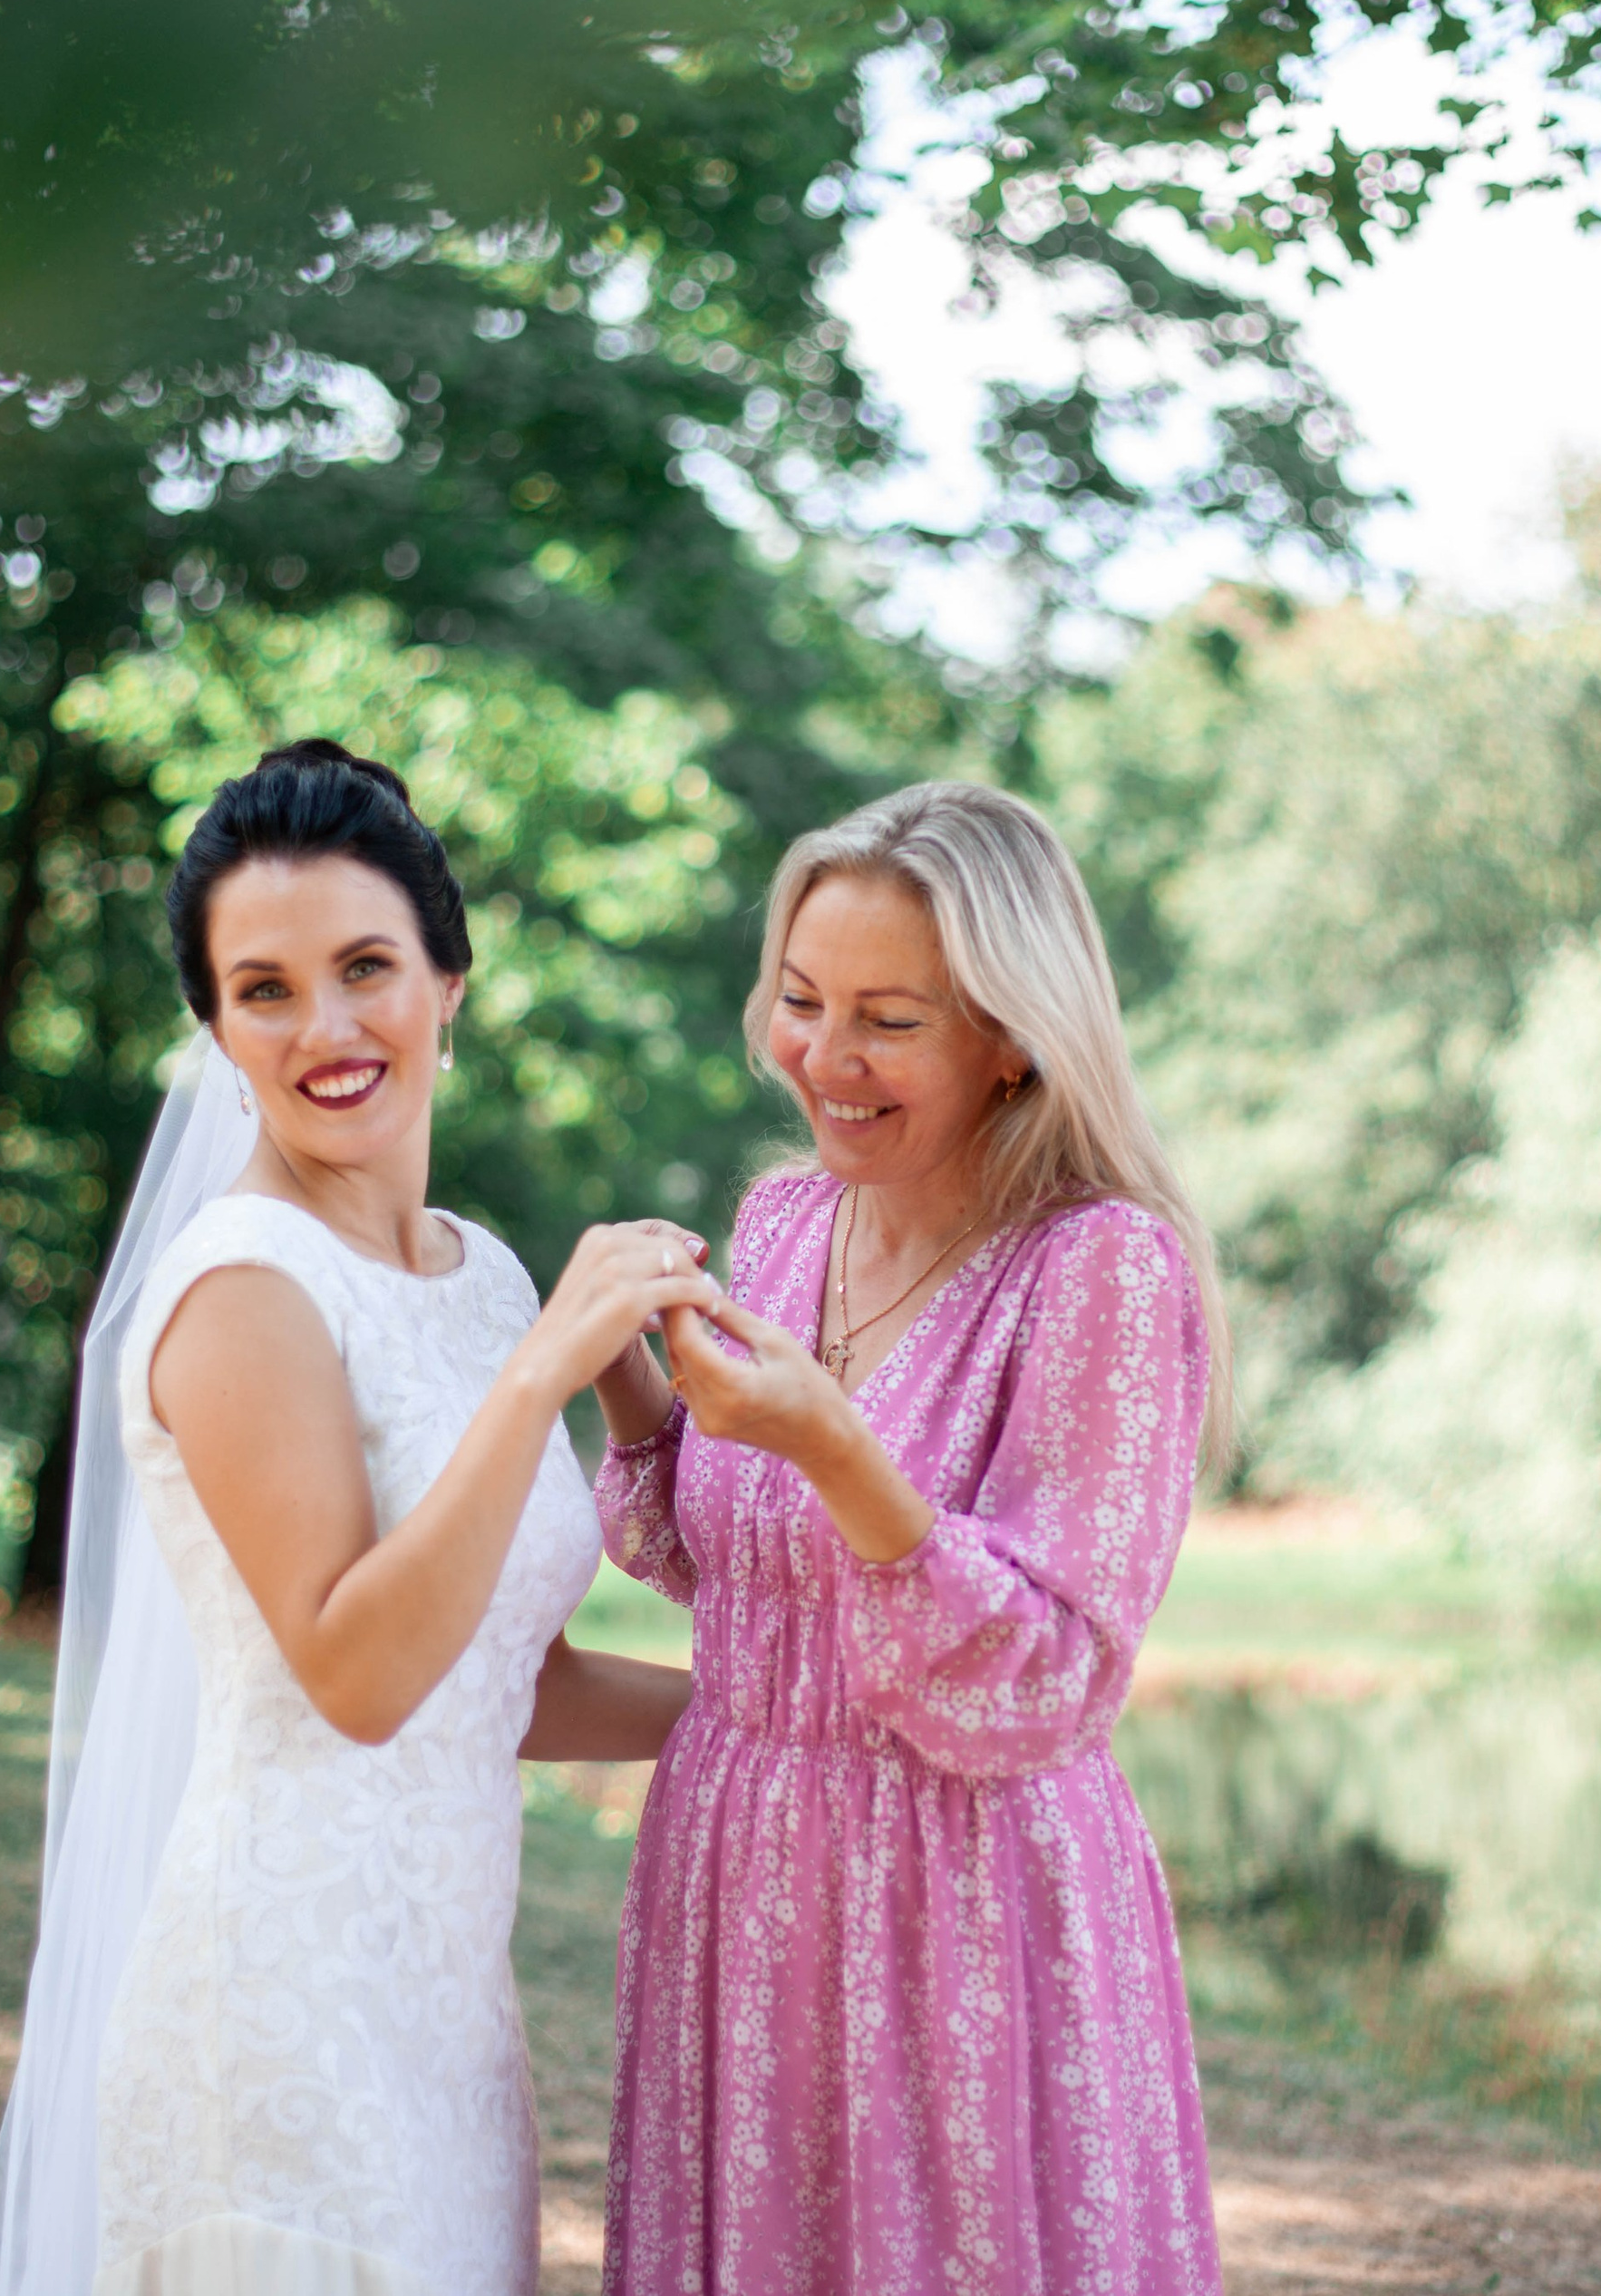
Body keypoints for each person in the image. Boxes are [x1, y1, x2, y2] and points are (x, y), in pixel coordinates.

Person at [0, 741, 713, 2296]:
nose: (327, 1028)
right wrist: (543, 1378)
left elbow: (511, 1681)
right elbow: (358, 1678)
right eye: (265, 990)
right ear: (218, 1028)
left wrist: (779, 1720)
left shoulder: (484, 1273)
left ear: (452, 980)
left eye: (367, 966)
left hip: (443, 2017)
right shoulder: (243, 1287)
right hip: (276, 2019)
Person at [594, 779, 1233, 2296]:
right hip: (737, 1870)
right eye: (802, 1001)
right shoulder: (790, 1221)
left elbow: (1049, 1673)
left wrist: (834, 1446)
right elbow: (734, 1570)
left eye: (892, 1019)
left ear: (1011, 1035)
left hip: (962, 1895)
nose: (824, 1057)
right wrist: (634, 1371)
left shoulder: (1100, 1270)